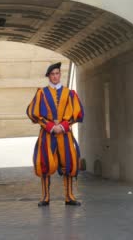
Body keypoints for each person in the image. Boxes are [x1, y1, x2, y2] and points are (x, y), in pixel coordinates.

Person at [26, 62, 84, 207]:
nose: (55, 76)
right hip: (47, 134)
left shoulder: (69, 93)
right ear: (48, 76)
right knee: (45, 163)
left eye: (57, 73)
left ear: (60, 75)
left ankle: (69, 196)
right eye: (52, 74)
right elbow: (34, 113)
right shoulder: (41, 93)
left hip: (65, 134)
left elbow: (77, 112)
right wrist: (51, 126)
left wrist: (63, 126)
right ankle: (45, 196)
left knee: (68, 163)